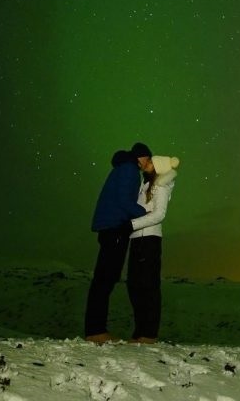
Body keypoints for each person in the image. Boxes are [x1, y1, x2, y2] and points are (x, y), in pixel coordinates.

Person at [84, 142, 153, 344]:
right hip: (114, 228)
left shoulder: (123, 168)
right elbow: (124, 201)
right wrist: (145, 214)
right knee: (105, 279)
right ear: (140, 157)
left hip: (109, 227)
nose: (148, 163)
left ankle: (95, 329)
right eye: (148, 158)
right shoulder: (130, 170)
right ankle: (95, 330)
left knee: (103, 279)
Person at [126, 154, 179, 343]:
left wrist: (131, 225)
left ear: (157, 166)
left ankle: (148, 334)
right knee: (134, 286)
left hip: (149, 240)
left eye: (150, 162)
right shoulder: (145, 185)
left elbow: (159, 215)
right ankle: (140, 331)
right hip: (137, 239)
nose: (146, 164)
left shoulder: (161, 186)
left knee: (148, 287)